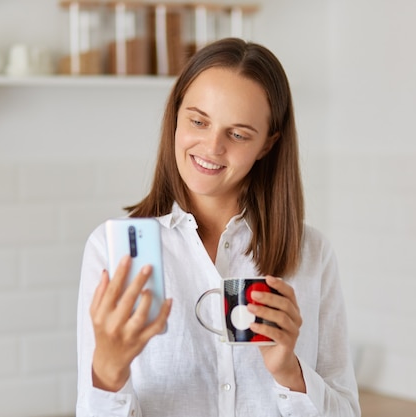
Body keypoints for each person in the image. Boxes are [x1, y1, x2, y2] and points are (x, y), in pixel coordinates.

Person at [76, 37, 361, 417]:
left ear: (267, 144)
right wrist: (108, 373)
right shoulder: (113, 251)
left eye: (238, 134)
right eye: (198, 121)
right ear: (176, 117)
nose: (212, 147)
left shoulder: (311, 254)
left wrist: (288, 371)